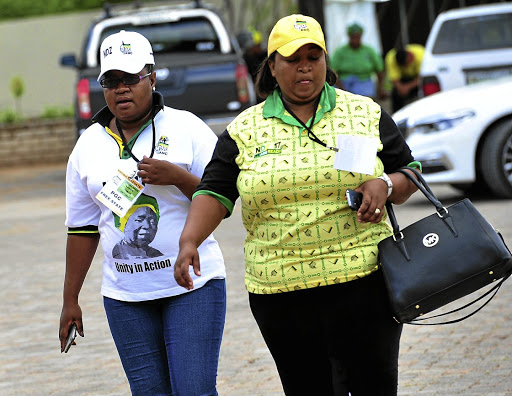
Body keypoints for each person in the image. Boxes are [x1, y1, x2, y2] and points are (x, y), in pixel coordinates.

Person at [174, 14, 421, 396]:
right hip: (281, 294)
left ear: (326, 62)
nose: (304, 66)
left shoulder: (365, 112)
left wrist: (385, 183)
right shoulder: (244, 129)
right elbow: (215, 192)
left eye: (314, 55)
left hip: (365, 283)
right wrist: (189, 240)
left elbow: (410, 172)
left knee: (374, 386)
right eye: (292, 58)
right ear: (272, 67)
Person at [58, 30, 226, 396]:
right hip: (126, 298)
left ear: (151, 75)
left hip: (192, 287)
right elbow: (83, 229)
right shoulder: (88, 146)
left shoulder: (187, 128)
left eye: (131, 79)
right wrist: (70, 299)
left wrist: (178, 178)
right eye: (111, 81)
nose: (121, 89)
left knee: (194, 390)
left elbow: (222, 198)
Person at [330, 22, 386, 99]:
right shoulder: (340, 51)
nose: (355, 40)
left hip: (364, 82)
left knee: (367, 100)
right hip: (344, 82)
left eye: (358, 37)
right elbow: (333, 71)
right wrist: (342, 88)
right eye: (353, 37)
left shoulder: (369, 51)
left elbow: (379, 70)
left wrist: (380, 89)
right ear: (349, 36)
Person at [385, 43, 425, 112]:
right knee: (395, 94)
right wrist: (401, 88)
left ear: (410, 55)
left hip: (417, 77)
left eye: (406, 64)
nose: (406, 67)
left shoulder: (422, 55)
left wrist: (408, 87)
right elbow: (395, 79)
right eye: (403, 66)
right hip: (402, 78)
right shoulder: (391, 57)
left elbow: (423, 77)